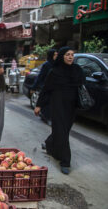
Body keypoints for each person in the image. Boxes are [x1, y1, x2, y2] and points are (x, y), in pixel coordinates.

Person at [34, 47, 85, 175]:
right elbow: (46, 90)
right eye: (67, 54)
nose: (70, 57)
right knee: (62, 132)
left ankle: (50, 143)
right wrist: (39, 105)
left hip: (71, 107)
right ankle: (65, 162)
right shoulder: (54, 72)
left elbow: (82, 84)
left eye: (72, 55)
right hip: (57, 106)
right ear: (62, 56)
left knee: (63, 131)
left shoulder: (77, 70)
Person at [31, 49, 58, 123]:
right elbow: (40, 76)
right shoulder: (47, 65)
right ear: (51, 55)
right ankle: (45, 115)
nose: (56, 56)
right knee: (45, 101)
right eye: (55, 55)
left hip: (53, 87)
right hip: (45, 86)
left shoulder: (57, 64)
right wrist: (34, 87)